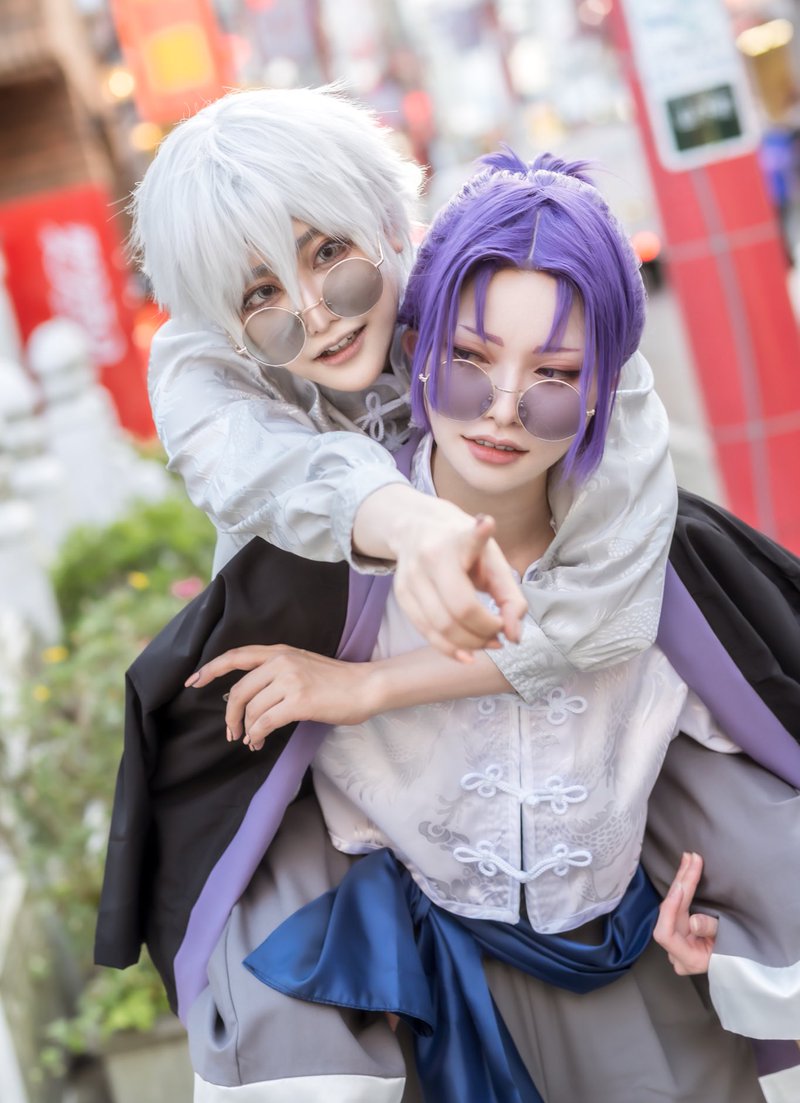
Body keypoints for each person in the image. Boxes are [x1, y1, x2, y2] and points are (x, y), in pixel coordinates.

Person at [97, 152, 800, 1103]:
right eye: (469, 360)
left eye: (556, 376)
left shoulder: (644, 550)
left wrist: (732, 906)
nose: (503, 408)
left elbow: (726, 731)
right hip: (418, 999)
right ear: (427, 348)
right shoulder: (307, 580)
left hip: (626, 968)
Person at [133, 85, 677, 682]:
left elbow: (608, 583)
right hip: (303, 663)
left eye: (328, 252)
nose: (315, 315)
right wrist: (405, 521)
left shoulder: (478, 287)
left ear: (389, 222)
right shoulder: (203, 362)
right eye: (263, 292)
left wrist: (373, 688)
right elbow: (251, 464)